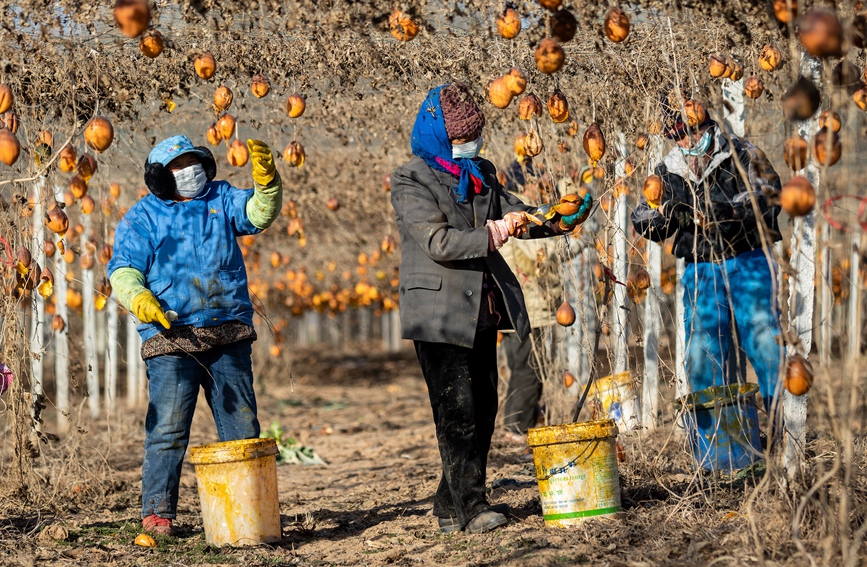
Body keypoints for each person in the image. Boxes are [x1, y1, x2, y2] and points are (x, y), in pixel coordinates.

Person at [390, 82, 590, 534]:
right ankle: (473, 506)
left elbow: (517, 214)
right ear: (439, 137)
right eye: (461, 139)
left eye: (473, 136)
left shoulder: (480, 172)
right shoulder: (411, 179)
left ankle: (448, 502)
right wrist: (494, 232)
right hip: (438, 311)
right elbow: (437, 241)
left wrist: (558, 219)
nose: (469, 145)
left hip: (481, 307)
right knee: (456, 411)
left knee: (484, 408)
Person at [107, 135, 282, 535]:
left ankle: (248, 511)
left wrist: (267, 183)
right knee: (167, 428)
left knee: (241, 426)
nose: (190, 171)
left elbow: (257, 214)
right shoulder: (143, 217)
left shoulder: (221, 199)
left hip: (227, 330)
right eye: (179, 165)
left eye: (194, 162)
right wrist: (140, 300)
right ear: (160, 176)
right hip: (171, 337)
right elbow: (122, 270)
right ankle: (157, 513)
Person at [631, 89, 783, 422]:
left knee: (764, 342)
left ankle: (779, 425)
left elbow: (770, 195)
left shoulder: (741, 152)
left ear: (705, 123)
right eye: (679, 137)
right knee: (703, 351)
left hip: (749, 260)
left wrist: (724, 212)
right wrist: (668, 213)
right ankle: (717, 439)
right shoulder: (668, 170)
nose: (688, 142)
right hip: (702, 268)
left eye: (692, 133)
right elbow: (644, 218)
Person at [498, 163, 567, 442]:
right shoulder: (522, 218)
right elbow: (538, 256)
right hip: (528, 309)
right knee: (530, 369)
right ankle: (516, 428)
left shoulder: (514, 214)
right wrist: (570, 231)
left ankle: (520, 424)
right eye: (539, 182)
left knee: (525, 368)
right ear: (526, 184)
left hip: (526, 307)